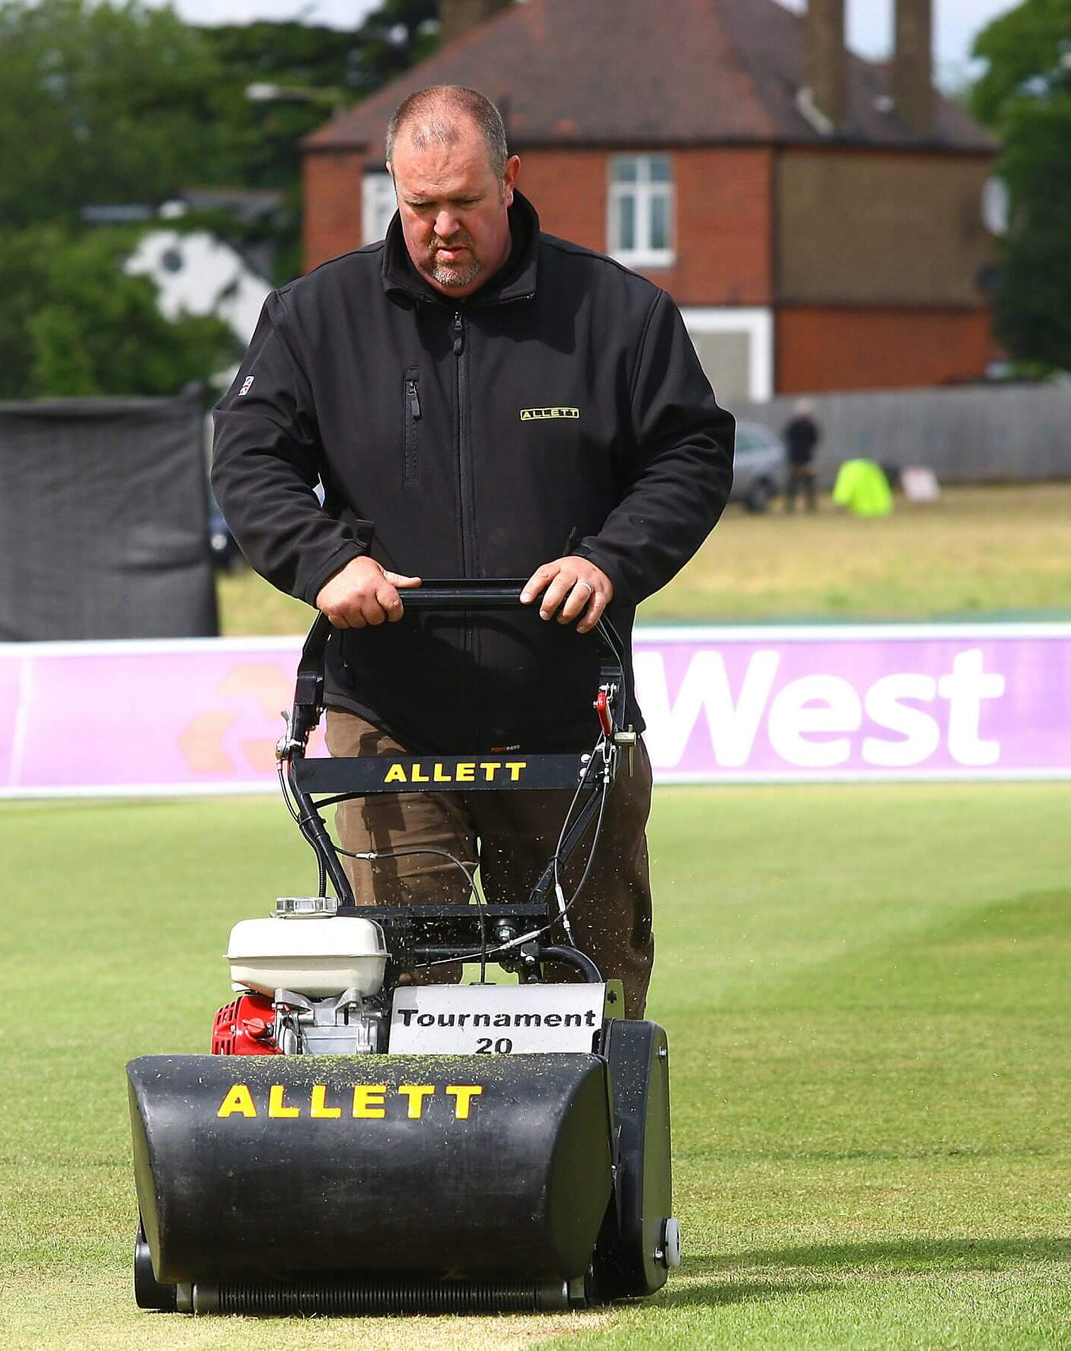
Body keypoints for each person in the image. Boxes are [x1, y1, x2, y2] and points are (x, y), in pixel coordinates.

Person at [212, 86, 733, 1017]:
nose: (441, 228)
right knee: (404, 989)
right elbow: (249, 461)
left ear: (510, 180)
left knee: (587, 988)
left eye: (463, 201)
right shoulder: (312, 317)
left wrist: (610, 560)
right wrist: (324, 560)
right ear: (392, 191)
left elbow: (689, 455)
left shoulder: (617, 314)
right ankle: (421, 1164)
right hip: (389, 707)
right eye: (419, 206)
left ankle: (588, 1160)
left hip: (567, 706)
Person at [783, 399, 820, 513]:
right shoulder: (798, 426)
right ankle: (791, 506)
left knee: (807, 483)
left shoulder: (804, 426)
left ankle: (809, 505)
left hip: (803, 458)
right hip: (798, 459)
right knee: (794, 484)